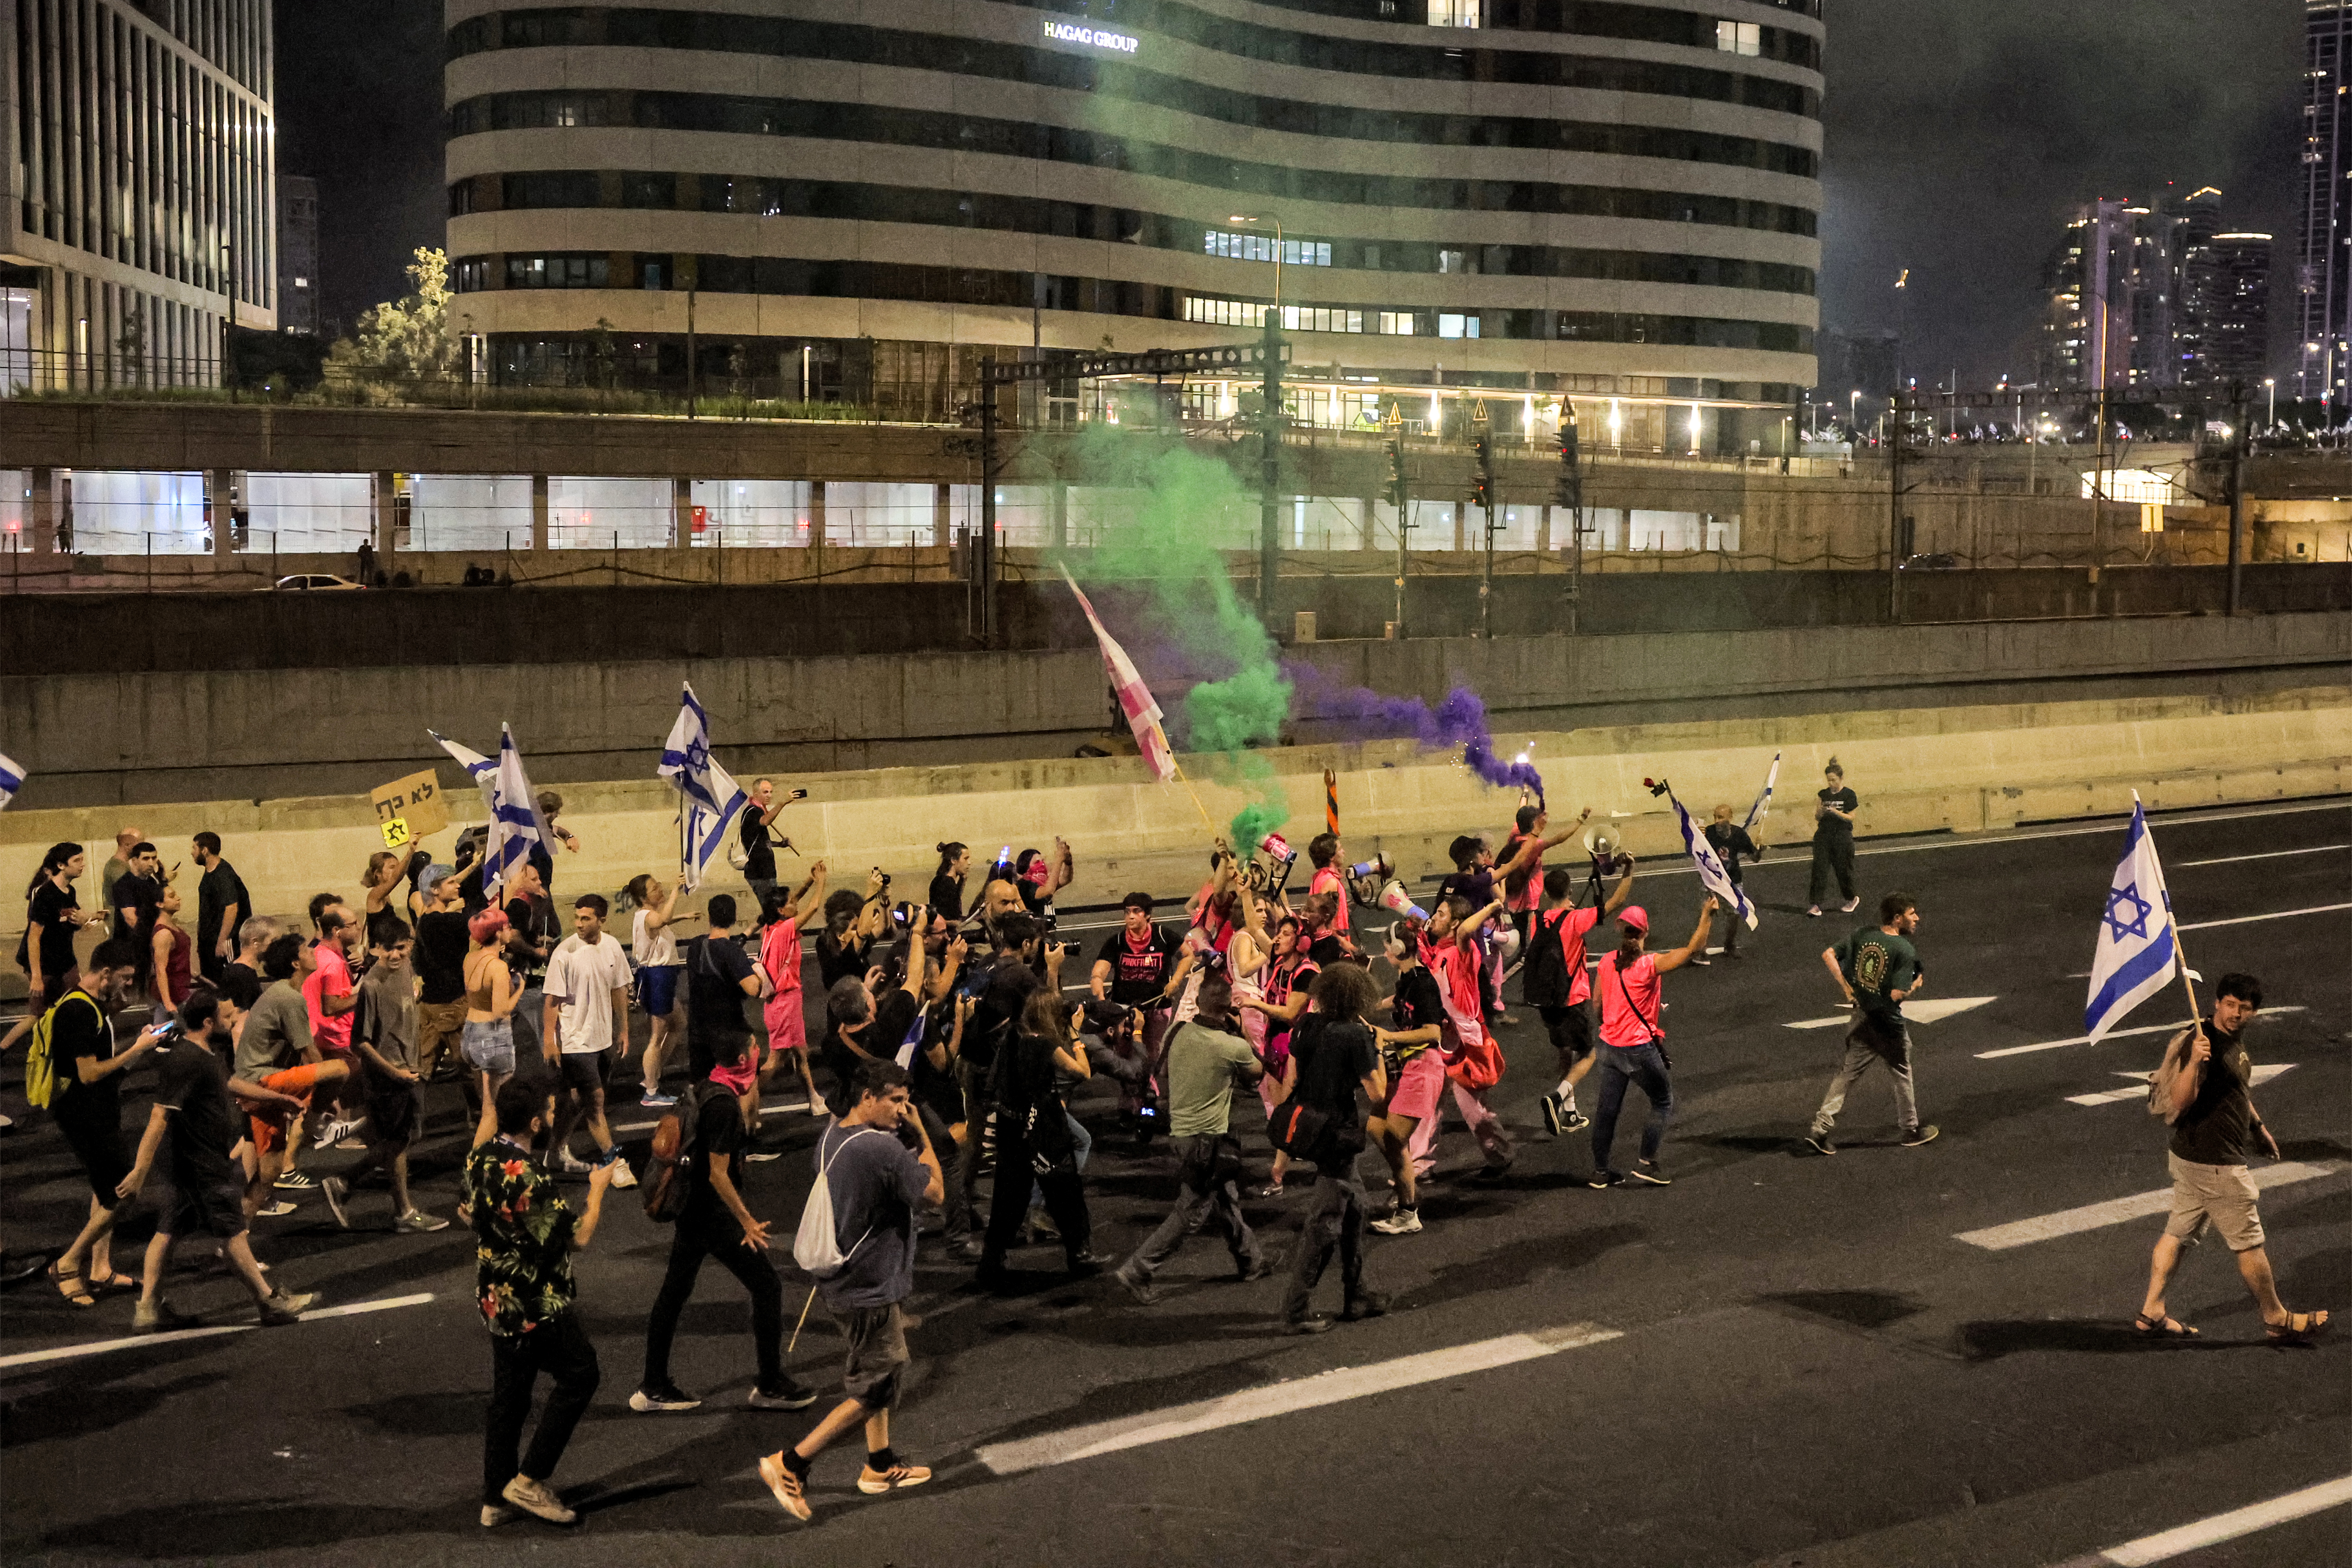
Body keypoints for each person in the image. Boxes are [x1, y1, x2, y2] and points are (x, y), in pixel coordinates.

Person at [759, 1058, 945, 1522]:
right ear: (868, 1098)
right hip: (868, 1288)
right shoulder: (881, 1151)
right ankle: (792, 1463)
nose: (904, 1110)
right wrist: (922, 1137)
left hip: (848, 1280)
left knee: (883, 1375)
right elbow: (936, 1193)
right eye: (896, 1101)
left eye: (907, 1102)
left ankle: (879, 1465)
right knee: (874, 1386)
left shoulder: (834, 1134)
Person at [2135, 973, 2330, 1345]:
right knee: (2249, 1243)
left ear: (2255, 1013)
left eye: (2245, 1009)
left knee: (2178, 1233)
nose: (2236, 1014)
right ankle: (2276, 1317)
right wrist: (2194, 1062)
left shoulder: (2230, 1041)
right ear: (2216, 1003)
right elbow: (2179, 1101)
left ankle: (2151, 1312)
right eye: (2230, 1005)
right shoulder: (2204, 1043)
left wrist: (2257, 1126)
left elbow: (2236, 1089)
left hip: (2191, 1159)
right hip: (2216, 1164)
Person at [633, 1031, 817, 1415]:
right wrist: (746, 1221)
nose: (759, 1051)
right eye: (753, 1047)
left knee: (674, 1292)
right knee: (767, 1285)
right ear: (742, 1059)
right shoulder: (724, 1108)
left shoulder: (706, 1087)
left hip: (690, 1208)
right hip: (711, 1212)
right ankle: (770, 1383)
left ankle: (652, 1383)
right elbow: (718, 1173)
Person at [465, 1078, 617, 1528]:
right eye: (550, 1113)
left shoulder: (480, 1157)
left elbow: (468, 1211)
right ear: (534, 1122)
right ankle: (530, 1480)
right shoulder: (526, 1175)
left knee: (509, 1398)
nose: (553, 1118)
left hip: (496, 1296)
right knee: (581, 1374)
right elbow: (580, 1237)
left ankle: (495, 1496)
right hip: (537, 1300)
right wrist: (598, 1188)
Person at [120, 989, 319, 1330]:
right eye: (226, 1017)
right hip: (200, 1165)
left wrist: (278, 1098)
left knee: (167, 1231)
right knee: (234, 1233)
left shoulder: (204, 1054)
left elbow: (231, 1084)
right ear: (209, 1022)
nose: (232, 1021)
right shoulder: (187, 1060)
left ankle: (149, 1307)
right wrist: (139, 1171)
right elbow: (158, 1118)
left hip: (189, 1165)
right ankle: (269, 1301)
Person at [1114, 973, 1267, 1303]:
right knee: (1192, 1212)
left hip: (1181, 1132)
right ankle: (1138, 1269)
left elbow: (1166, 1073)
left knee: (1226, 1199)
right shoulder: (1232, 1046)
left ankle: (1251, 1261)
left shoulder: (1177, 1031)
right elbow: (1258, 1072)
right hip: (1207, 1141)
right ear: (1228, 1009)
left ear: (1198, 1003)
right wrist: (1240, 1032)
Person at [40, 940, 164, 1307]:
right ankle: (67, 1264)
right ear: (105, 973)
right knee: (123, 1193)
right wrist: (137, 1050)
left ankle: (100, 1268)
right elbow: (90, 1073)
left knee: (105, 1188)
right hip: (84, 1115)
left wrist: (137, 1044)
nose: (127, 987)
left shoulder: (93, 1005)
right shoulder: (78, 1011)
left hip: (97, 1110)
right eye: (124, 979)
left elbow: (104, 1065)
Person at [1272, 962, 1387, 1333]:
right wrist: (1379, 1051)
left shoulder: (1305, 1025)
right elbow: (1378, 1096)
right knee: (1323, 1225)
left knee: (1357, 1209)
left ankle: (1357, 1294)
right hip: (1338, 1134)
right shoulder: (1356, 1035)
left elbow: (1291, 1077)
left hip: (1308, 1124)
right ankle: (1296, 1309)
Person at [325, 923, 451, 1231]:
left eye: (401, 947)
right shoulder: (372, 986)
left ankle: (362, 1191)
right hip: (389, 1075)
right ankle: (387, 1203)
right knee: (397, 1141)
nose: (395, 954)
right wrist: (394, 1071)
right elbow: (360, 1042)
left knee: (403, 1138)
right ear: (375, 949)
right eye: (388, 948)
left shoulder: (407, 968)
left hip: (410, 1069)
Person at [1802, 892, 1940, 1154]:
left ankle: (1820, 1131)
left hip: (1861, 1017)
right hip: (1887, 1023)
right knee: (1901, 1072)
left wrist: (1846, 987)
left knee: (1846, 1075)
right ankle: (1910, 1130)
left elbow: (1829, 954)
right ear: (1898, 919)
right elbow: (1896, 995)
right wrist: (1914, 985)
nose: (1917, 919)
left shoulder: (1863, 934)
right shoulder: (1903, 950)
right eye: (1912, 914)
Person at [977, 988, 1100, 1286]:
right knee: (1064, 1188)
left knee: (1008, 1195)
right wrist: (1074, 1035)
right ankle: (1079, 1255)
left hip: (1012, 1126)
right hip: (1042, 1127)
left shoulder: (1011, 1038)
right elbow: (1083, 1073)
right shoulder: (1044, 1045)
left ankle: (992, 1261)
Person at [1587, 900, 1713, 1189]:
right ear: (1645, 933)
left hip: (1609, 1047)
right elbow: (1692, 949)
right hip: (1638, 1049)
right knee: (1663, 1100)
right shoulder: (1648, 965)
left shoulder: (1606, 961)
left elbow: (1597, 1004)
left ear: (1622, 931)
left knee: (1607, 1111)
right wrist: (1706, 916)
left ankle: (1600, 1172)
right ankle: (1647, 1162)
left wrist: (1608, 1027)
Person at [236, 933, 354, 1214]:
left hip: (257, 1085)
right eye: (304, 950)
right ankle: (318, 1128)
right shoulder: (288, 998)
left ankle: (235, 1236)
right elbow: (309, 1053)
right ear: (294, 963)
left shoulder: (282, 992)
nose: (311, 952)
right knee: (341, 1067)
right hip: (260, 1082)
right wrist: (326, 1099)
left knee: (270, 1172)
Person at [1405, 891, 1515, 1184]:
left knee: (1475, 1112)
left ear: (1455, 924)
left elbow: (1467, 930)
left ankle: (1500, 1156)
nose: (1435, 918)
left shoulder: (1464, 952)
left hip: (1467, 1044)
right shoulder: (1439, 952)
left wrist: (1491, 906)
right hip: (1443, 1037)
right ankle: (1420, 1166)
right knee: (1429, 1104)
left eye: (1442, 914)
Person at [1524, 856, 1638, 1136]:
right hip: (1571, 999)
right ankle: (1557, 1097)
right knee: (1588, 1054)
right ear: (1570, 891)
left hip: (1546, 1000)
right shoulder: (1575, 919)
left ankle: (1571, 1113)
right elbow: (1616, 904)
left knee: (1564, 1050)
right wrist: (1629, 871)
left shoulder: (1536, 920)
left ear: (1548, 893)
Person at [541, 893, 639, 1181]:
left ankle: (555, 1152)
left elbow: (619, 989)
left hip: (603, 1039)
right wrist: (550, 1040)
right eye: (577, 918)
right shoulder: (565, 952)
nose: (579, 924)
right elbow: (552, 1001)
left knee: (576, 1101)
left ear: (602, 920)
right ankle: (615, 1163)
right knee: (596, 1102)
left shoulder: (612, 948)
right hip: (574, 1041)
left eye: (586, 919)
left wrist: (623, 1030)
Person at [1367, 916, 1445, 1236]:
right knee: (1376, 1126)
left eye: (1387, 947)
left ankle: (1407, 1209)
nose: (1385, 952)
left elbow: (1432, 1032)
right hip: (1408, 1066)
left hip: (1423, 1067)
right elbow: (1387, 1004)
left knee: (1392, 1137)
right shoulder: (1407, 979)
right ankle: (1406, 1186)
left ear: (1397, 949)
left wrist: (1388, 1036)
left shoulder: (1423, 983)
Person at [759, 867, 830, 1114]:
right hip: (785, 1002)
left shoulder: (769, 928)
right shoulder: (786, 929)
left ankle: (814, 1098)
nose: (794, 903)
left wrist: (809, 879)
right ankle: (747, 1102)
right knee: (775, 1060)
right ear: (781, 911)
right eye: (789, 903)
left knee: (801, 1053)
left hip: (781, 1001)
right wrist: (821, 883)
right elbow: (812, 908)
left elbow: (796, 901)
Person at [625, 872, 690, 1106]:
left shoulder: (647, 916)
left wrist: (683, 916)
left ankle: (653, 1073)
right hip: (657, 977)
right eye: (655, 889)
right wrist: (676, 890)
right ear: (643, 897)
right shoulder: (648, 916)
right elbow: (661, 920)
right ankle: (651, 1091)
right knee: (657, 1036)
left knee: (679, 1022)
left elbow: (662, 921)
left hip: (663, 977)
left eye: (660, 886)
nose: (660, 891)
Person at [462, 907, 522, 1149]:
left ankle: (492, 1154)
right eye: (506, 926)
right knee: (493, 1110)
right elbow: (501, 1011)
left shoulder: (470, 958)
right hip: (492, 1037)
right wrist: (519, 989)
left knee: (488, 1104)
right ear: (498, 932)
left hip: (470, 1034)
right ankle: (474, 1166)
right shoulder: (497, 968)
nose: (510, 930)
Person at [19, 842, 97, 1018]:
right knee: (40, 1016)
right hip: (44, 964)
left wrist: (83, 922)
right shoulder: (45, 895)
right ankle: (6, 1045)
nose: (82, 864)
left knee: (77, 1002)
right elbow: (34, 937)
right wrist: (37, 977)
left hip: (65, 960)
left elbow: (69, 923)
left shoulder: (70, 891)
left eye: (82, 860)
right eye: (77, 861)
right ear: (61, 866)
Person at [410, 866, 470, 1083]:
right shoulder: (443, 923)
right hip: (451, 1007)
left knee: (421, 1071)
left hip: (430, 1005)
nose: (458, 885)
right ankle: (484, 1114)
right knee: (471, 1066)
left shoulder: (426, 921)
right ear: (435, 890)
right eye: (451, 882)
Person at [1699, 805, 1765, 961]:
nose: (1717, 821)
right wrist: (1696, 838)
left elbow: (1755, 858)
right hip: (1712, 881)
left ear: (1730, 818)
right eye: (1715, 817)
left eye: (1721, 817)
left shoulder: (1739, 835)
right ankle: (1701, 949)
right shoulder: (1708, 833)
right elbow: (1691, 850)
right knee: (1707, 914)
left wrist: (1759, 849)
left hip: (1732, 880)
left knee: (1734, 915)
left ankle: (1729, 945)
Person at [191, 831, 249, 988]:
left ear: (205, 850)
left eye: (194, 848)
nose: (192, 852)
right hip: (210, 941)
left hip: (224, 941)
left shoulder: (223, 875)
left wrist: (222, 941)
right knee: (213, 983)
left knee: (230, 982)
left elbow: (232, 908)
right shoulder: (210, 873)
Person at [1806, 759, 1860, 917]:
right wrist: (1822, 812)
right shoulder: (1823, 794)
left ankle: (1852, 898)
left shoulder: (1849, 795)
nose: (1831, 783)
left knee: (1843, 870)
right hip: (1824, 836)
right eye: (1829, 780)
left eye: (1834, 780)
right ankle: (1816, 905)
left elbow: (1851, 817)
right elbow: (1817, 816)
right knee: (1819, 870)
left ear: (1841, 779)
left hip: (1842, 837)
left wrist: (1836, 812)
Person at [739, 777, 799, 913]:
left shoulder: (760, 810)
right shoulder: (753, 811)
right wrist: (782, 803)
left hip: (767, 872)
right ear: (756, 794)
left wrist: (780, 844)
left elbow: (761, 842)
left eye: (771, 792)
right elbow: (765, 822)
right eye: (766, 792)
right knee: (772, 912)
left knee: (773, 911)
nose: (769, 796)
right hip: (759, 873)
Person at [148, 882, 195, 1026]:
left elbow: (178, 958)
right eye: (172, 897)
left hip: (181, 990)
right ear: (160, 904)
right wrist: (168, 1003)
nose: (178, 899)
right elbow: (160, 970)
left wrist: (193, 973)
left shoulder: (172, 927)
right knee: (163, 1040)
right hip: (173, 994)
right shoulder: (163, 934)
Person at [927, 841, 972, 927]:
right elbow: (939, 917)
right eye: (966, 859)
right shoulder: (944, 884)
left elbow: (953, 900)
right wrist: (956, 923)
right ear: (953, 861)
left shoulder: (947, 881)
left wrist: (963, 880)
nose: (969, 863)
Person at [100, 826, 143, 911]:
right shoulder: (118, 869)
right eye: (140, 846)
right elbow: (131, 897)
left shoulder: (122, 865)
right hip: (120, 921)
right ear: (127, 845)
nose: (142, 850)